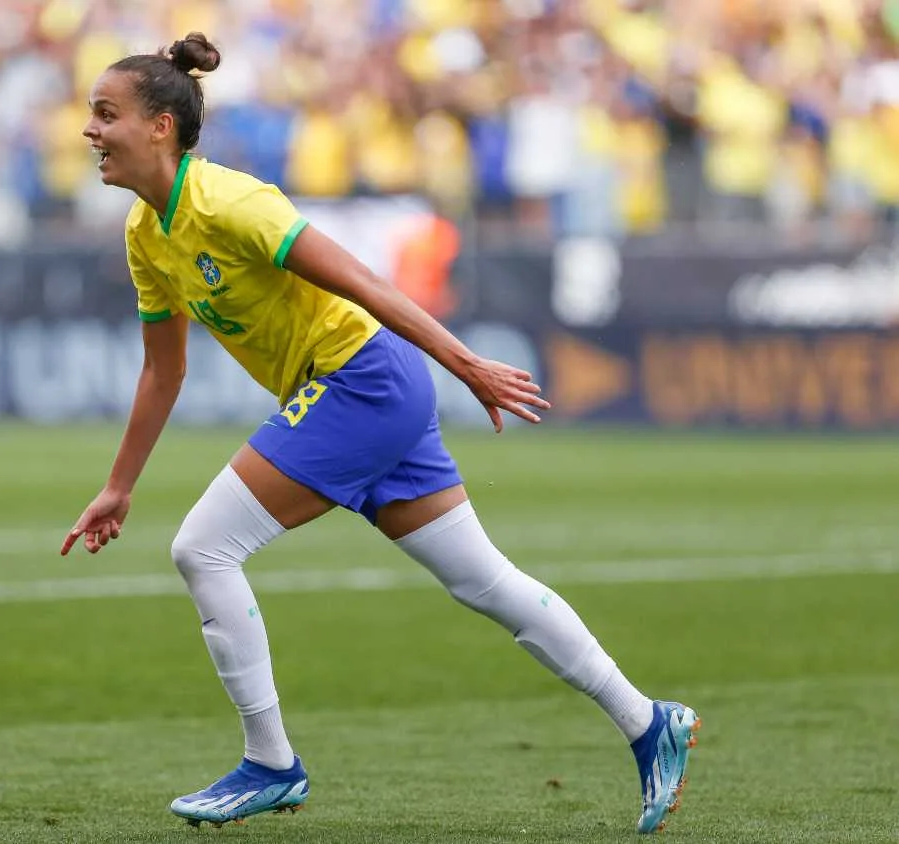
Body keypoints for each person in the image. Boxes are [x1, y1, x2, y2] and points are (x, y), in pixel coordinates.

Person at [61, 33, 700, 835]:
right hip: (359, 394)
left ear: (160, 126)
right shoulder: (144, 234)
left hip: (361, 382)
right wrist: (119, 486)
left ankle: (270, 763)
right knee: (484, 582)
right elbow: (163, 371)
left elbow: (363, 281)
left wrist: (463, 362)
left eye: (105, 113)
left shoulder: (230, 202)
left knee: (203, 549)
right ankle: (650, 723)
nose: (89, 130)